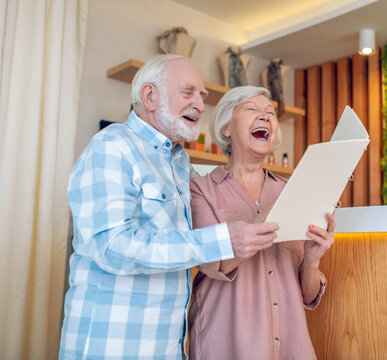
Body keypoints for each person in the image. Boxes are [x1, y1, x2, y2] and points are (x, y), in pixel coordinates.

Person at [59, 55, 278, 359]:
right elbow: (112, 245)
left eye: (202, 96)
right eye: (188, 92)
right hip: (113, 345)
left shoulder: (179, 162)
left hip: (168, 347)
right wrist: (223, 240)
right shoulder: (113, 146)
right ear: (150, 96)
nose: (201, 105)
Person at [188, 86, 335, 360]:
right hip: (226, 344)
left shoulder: (293, 189)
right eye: (252, 109)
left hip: (292, 345)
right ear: (226, 128)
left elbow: (308, 295)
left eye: (270, 113)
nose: (265, 117)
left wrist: (312, 260)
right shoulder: (200, 189)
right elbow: (214, 262)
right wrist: (281, 209)